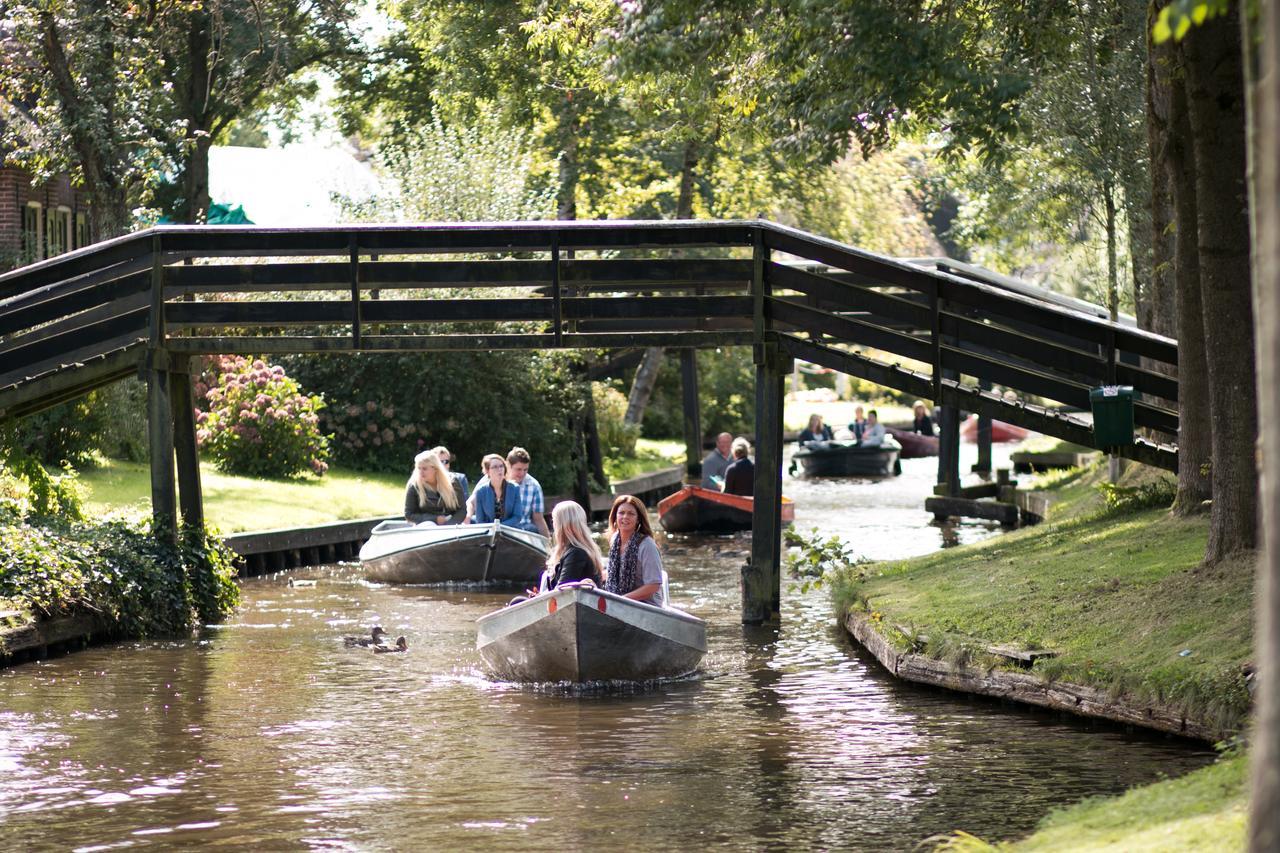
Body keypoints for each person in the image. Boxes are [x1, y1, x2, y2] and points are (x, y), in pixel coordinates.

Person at [603, 495, 664, 606]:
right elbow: (614, 572)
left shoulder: (647, 545)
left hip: (646, 605)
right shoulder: (614, 539)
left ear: (638, 519)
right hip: (619, 602)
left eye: (631, 514)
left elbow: (654, 585)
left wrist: (621, 600)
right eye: (621, 513)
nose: (625, 517)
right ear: (615, 516)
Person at [543, 500, 605, 589]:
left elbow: (561, 590)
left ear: (562, 525)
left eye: (554, 520)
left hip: (577, 601)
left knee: (518, 600)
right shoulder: (575, 550)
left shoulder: (576, 553)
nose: (553, 525)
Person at [404, 449, 464, 524]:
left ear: (435, 468)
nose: (421, 472)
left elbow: (462, 509)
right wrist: (434, 519)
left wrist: (449, 525)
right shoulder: (414, 485)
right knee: (428, 524)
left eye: (425, 469)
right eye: (419, 468)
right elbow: (409, 514)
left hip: (451, 525)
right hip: (425, 526)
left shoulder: (452, 481)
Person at [505, 446, 551, 537]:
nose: (522, 474)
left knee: (532, 528)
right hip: (500, 527)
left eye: (525, 470)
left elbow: (538, 519)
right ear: (508, 466)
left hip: (522, 530)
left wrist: (548, 543)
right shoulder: (495, 479)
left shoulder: (533, 485)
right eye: (518, 469)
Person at [465, 453, 515, 525]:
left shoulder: (513, 487)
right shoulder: (484, 483)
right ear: (487, 471)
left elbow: (517, 515)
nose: (499, 469)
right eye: (495, 467)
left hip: (509, 525)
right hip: (488, 524)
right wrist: (468, 517)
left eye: (501, 466)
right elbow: (470, 502)